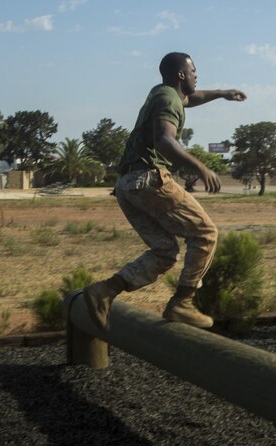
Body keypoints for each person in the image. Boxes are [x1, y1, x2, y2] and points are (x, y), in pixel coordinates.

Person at [83, 52, 246, 329]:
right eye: (194, 71)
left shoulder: (163, 93)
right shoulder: (168, 99)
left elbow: (190, 99)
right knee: (205, 233)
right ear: (181, 74)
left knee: (164, 251)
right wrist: (201, 168)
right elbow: (164, 140)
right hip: (149, 178)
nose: (197, 76)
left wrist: (222, 93)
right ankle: (182, 303)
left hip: (127, 185)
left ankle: (104, 291)